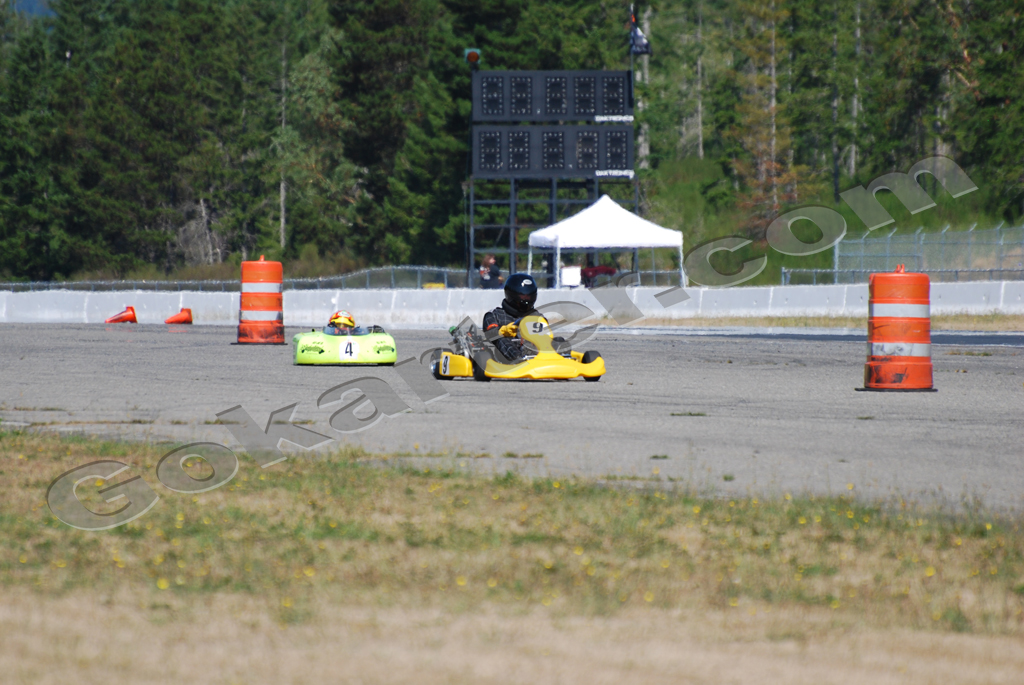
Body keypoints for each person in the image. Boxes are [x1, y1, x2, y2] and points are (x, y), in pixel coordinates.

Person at [482, 273, 537, 361]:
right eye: (523, 296)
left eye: (529, 296)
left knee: (557, 340)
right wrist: (504, 331)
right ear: (512, 294)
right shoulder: (494, 314)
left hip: (536, 354)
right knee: (501, 339)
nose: (526, 299)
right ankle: (520, 360)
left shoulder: (536, 316)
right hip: (504, 358)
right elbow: (489, 334)